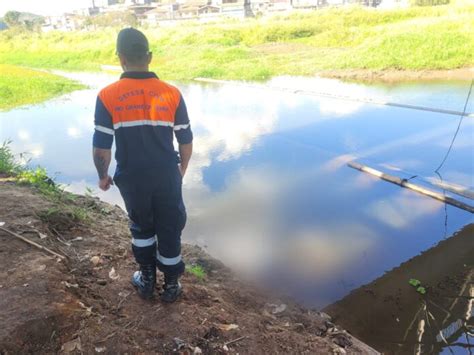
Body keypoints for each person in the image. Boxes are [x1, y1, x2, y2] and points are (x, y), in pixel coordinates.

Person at [92, 28, 193, 302]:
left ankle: (147, 279)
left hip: (132, 177)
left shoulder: (107, 95)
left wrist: (103, 177)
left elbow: (102, 146)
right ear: (149, 57)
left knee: (142, 227)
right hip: (166, 175)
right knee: (170, 226)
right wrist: (180, 171)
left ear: (121, 58)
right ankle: (171, 286)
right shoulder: (172, 93)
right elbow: (185, 138)